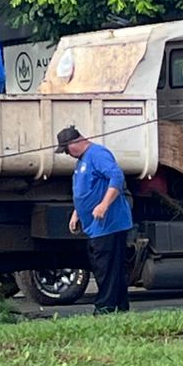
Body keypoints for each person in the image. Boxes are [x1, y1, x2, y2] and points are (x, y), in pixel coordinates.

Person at [57, 125, 133, 314]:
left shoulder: (97, 154)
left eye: (67, 149)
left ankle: (105, 306)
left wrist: (104, 205)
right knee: (110, 265)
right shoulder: (82, 160)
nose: (67, 153)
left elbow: (116, 176)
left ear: (75, 142)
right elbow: (86, 189)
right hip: (95, 224)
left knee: (105, 266)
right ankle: (120, 306)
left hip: (109, 222)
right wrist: (77, 212)